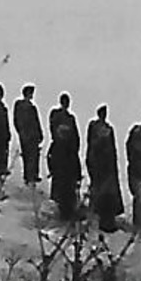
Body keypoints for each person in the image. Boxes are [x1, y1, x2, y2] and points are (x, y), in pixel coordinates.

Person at [85, 105, 124, 233]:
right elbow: (91, 144)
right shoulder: (95, 127)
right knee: (98, 191)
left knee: (108, 193)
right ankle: (95, 217)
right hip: (99, 165)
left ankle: (108, 219)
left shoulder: (109, 129)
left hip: (108, 167)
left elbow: (112, 148)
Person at [46, 93, 82, 221]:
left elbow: (76, 138)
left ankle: (67, 211)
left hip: (67, 155)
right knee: (63, 185)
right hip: (63, 155)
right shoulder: (58, 116)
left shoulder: (69, 118)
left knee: (66, 185)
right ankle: (63, 212)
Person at [14, 85, 44, 184]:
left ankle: (30, 175)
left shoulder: (25, 107)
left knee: (30, 156)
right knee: (30, 156)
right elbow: (33, 122)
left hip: (28, 135)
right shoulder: (26, 107)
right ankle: (30, 176)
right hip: (29, 135)